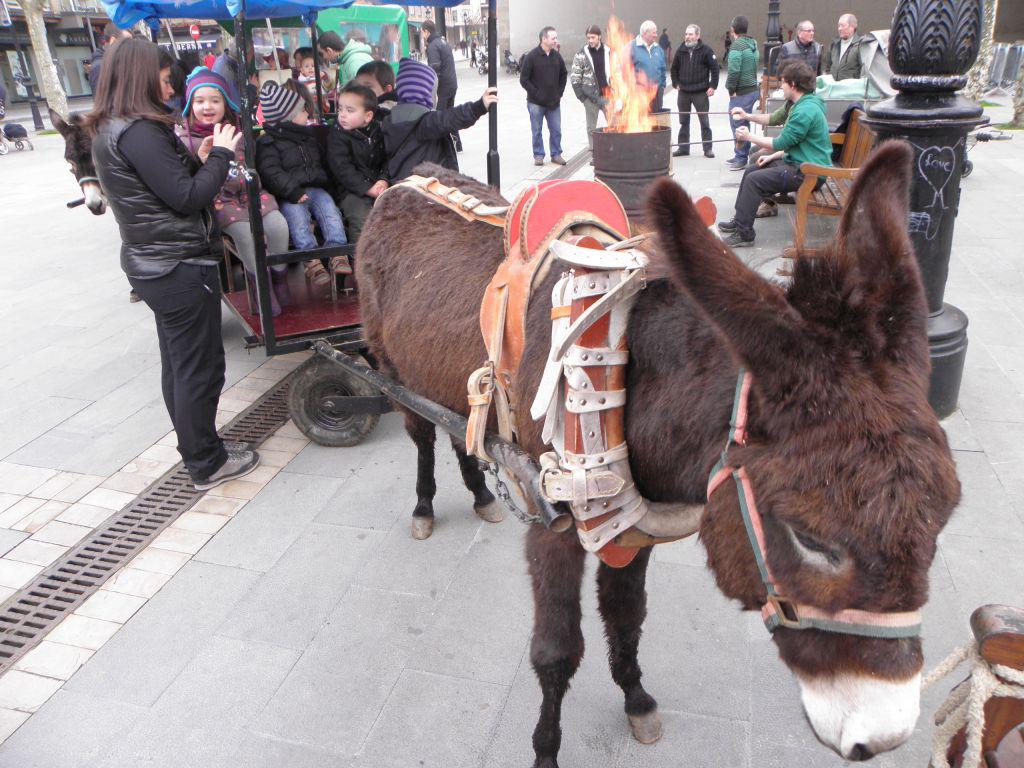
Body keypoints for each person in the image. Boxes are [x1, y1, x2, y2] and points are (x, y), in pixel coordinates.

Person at [84, 38, 260, 490]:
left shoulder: (112, 125)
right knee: (199, 367)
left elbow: (165, 184)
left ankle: (197, 449)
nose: (171, 85)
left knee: (180, 365)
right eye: (165, 78)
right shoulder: (140, 129)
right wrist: (220, 153)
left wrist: (197, 159)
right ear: (142, 75)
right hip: (176, 264)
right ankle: (206, 462)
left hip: (156, 262)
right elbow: (187, 197)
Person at [177, 67, 291, 316]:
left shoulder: (238, 132)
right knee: (247, 235)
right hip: (220, 202)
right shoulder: (185, 140)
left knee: (278, 227)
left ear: (225, 103)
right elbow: (188, 181)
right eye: (200, 101)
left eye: (215, 100)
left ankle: (279, 277)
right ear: (189, 106)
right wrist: (200, 159)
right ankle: (260, 287)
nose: (207, 106)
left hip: (251, 194)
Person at [718, 60, 832, 247]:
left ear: (793, 85)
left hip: (809, 173)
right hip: (801, 164)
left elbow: (781, 142)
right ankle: (740, 222)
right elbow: (780, 129)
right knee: (751, 171)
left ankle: (745, 235)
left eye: (783, 81)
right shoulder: (798, 103)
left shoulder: (805, 110)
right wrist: (748, 117)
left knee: (755, 181)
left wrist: (749, 137)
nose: (781, 85)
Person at [255, 81, 351, 279]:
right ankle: (310, 258)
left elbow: (321, 163)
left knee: (330, 211)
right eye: (302, 110)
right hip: (291, 193)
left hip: (316, 187)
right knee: (297, 217)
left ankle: (337, 251)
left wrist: (329, 186)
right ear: (288, 117)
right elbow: (270, 172)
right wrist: (292, 191)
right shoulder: (268, 142)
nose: (307, 113)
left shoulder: (307, 138)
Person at [382, 57, 496, 181]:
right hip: (426, 190)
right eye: (434, 91)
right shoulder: (426, 123)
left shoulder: (388, 121)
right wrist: (479, 107)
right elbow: (452, 118)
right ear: (426, 94)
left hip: (400, 186)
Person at [327, 83, 387, 244]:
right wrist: (368, 188)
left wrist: (384, 179)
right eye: (340, 109)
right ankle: (359, 259)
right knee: (362, 219)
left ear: (368, 116)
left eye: (349, 110)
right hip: (350, 191)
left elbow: (388, 158)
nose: (342, 115)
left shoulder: (379, 130)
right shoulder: (338, 136)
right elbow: (343, 169)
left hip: (377, 185)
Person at [520, 26, 567, 166]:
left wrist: (559, 93)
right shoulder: (531, 57)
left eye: (556, 38)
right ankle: (538, 155)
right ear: (544, 39)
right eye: (553, 38)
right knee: (536, 131)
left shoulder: (556, 56)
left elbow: (564, 74)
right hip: (536, 103)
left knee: (556, 130)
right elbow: (524, 79)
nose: (555, 41)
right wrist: (536, 93)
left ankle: (556, 154)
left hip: (554, 102)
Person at [670, 24, 719, 159]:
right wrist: (675, 83)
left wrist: (712, 86)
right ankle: (683, 147)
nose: (687, 37)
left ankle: (707, 148)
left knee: (704, 121)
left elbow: (715, 69)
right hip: (684, 92)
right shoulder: (680, 50)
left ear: (697, 36)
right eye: (686, 34)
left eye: (691, 34)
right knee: (683, 121)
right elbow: (673, 69)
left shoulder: (706, 50)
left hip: (700, 92)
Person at [724, 15, 759, 171]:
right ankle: (743, 154)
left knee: (737, 124)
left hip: (741, 93)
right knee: (743, 123)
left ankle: (740, 157)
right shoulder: (752, 43)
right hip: (752, 90)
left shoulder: (737, 46)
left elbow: (733, 71)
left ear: (733, 29)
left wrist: (731, 90)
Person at [422, 20, 461, 152]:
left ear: (426, 31)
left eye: (422, 33)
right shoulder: (443, 42)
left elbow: (434, 70)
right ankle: (457, 143)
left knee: (438, 117)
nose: (422, 36)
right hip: (452, 84)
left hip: (443, 87)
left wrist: (433, 92)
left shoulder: (433, 46)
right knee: (450, 113)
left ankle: (441, 147)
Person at [570, 24, 609, 151]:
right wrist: (583, 98)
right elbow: (575, 78)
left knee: (615, 125)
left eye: (593, 37)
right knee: (591, 129)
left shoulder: (608, 52)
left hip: (608, 97)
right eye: (588, 38)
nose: (590, 40)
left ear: (599, 37)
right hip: (590, 98)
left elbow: (617, 72)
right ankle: (594, 153)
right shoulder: (581, 54)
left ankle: (614, 151)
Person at [631, 20, 667, 113]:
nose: (656, 35)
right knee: (641, 123)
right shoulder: (631, 47)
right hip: (639, 94)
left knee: (656, 124)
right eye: (654, 33)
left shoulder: (658, 49)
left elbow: (663, 69)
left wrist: (662, 86)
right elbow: (623, 70)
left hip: (657, 93)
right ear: (644, 33)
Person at [89, 22, 131, 93]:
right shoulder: (100, 67)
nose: (131, 46)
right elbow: (102, 100)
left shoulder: (114, 61)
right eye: (128, 42)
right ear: (113, 41)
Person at [821, 13, 863, 81]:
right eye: (838, 26)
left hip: (851, 89)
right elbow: (826, 66)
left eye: (843, 26)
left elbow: (863, 70)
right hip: (833, 87)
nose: (839, 29)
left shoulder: (860, 45)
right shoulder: (834, 44)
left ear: (852, 27)